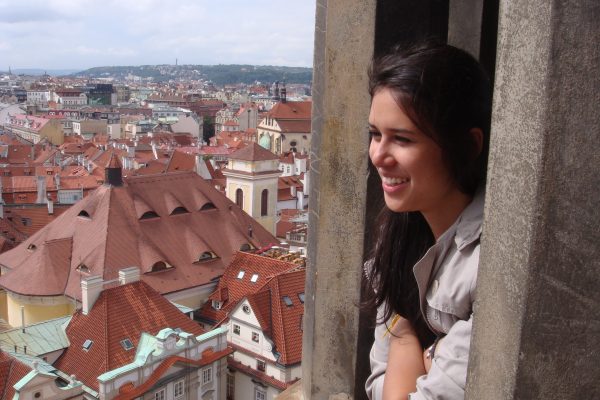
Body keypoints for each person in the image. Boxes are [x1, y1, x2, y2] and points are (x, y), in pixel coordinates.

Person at [364, 41, 492, 400]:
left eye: (402, 139)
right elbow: (378, 385)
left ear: (467, 146)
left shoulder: (488, 265)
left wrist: (403, 335)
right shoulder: (398, 235)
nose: (378, 155)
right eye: (375, 134)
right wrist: (419, 348)